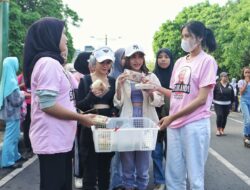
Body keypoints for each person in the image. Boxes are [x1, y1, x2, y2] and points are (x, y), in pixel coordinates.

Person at [23, 17, 95, 190]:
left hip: (60, 139)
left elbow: (67, 99)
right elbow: (48, 105)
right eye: (63, 34)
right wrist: (80, 118)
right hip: (52, 140)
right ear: (51, 36)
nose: (66, 38)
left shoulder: (54, 64)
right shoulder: (48, 64)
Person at [158, 21, 218, 190]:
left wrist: (172, 117)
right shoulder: (179, 62)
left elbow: (201, 99)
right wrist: (155, 88)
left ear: (199, 38)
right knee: (174, 176)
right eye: (182, 36)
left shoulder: (207, 61)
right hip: (174, 124)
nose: (184, 40)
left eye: (188, 36)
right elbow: (177, 94)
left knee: (195, 176)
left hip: (194, 123)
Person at [114, 44, 164, 190]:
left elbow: (159, 101)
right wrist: (119, 86)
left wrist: (150, 91)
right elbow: (118, 104)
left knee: (143, 167)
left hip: (146, 126)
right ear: (128, 60)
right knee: (127, 166)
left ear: (143, 58)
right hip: (127, 126)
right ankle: (128, 187)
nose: (137, 61)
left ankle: (141, 187)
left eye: (140, 56)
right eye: (133, 57)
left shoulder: (151, 77)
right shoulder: (122, 77)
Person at [76, 46, 117, 190]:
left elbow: (116, 105)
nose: (106, 66)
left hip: (107, 127)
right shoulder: (86, 80)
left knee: (105, 168)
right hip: (89, 127)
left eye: (108, 62)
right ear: (95, 63)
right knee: (89, 170)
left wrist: (113, 112)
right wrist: (92, 95)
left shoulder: (113, 81)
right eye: (102, 62)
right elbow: (79, 105)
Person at [151, 48, 174, 190]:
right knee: (156, 151)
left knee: (172, 152)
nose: (163, 59)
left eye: (166, 57)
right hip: (156, 117)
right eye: (160, 57)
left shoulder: (177, 76)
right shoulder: (152, 76)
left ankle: (172, 179)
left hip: (174, 118)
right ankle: (159, 180)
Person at [0, 57, 24, 169]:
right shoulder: (12, 81)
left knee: (14, 136)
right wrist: (23, 95)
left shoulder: (6, 79)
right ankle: (7, 161)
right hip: (12, 114)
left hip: (9, 113)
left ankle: (15, 156)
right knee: (10, 137)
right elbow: (15, 101)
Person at [108, 48, 126, 190]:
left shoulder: (129, 75)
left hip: (126, 119)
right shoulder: (113, 76)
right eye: (123, 57)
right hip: (116, 119)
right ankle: (116, 183)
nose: (125, 60)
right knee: (116, 154)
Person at [18, 72, 33, 159]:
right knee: (27, 127)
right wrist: (23, 85)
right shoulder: (21, 76)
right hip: (25, 105)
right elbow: (14, 88)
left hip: (35, 104)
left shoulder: (36, 73)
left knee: (34, 127)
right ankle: (29, 149)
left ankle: (33, 147)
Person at [213, 72, 234, 136]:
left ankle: (222, 129)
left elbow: (232, 96)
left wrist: (231, 105)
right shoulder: (216, 85)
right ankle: (218, 129)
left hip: (227, 104)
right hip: (218, 103)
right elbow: (212, 94)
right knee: (219, 115)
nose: (226, 77)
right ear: (221, 77)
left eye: (227, 76)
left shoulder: (230, 86)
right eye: (224, 76)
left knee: (225, 117)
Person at [238, 66, 250, 147]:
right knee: (248, 119)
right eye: (246, 72)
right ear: (243, 73)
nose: (247, 74)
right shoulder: (241, 81)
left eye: (249, 72)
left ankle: (248, 136)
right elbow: (241, 93)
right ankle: (246, 135)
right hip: (244, 102)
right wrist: (246, 83)